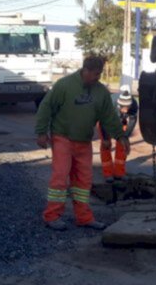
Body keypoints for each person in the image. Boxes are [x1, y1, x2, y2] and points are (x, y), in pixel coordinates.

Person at [35, 56, 129, 231]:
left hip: (84, 142)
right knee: (60, 178)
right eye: (95, 74)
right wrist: (41, 132)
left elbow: (108, 116)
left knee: (83, 182)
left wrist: (120, 136)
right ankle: (52, 216)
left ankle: (84, 218)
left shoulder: (100, 92)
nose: (97, 77)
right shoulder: (65, 86)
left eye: (99, 74)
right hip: (63, 138)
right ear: (85, 70)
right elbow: (46, 107)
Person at [99, 85, 139, 184]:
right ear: (119, 105)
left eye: (127, 108)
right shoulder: (109, 104)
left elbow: (133, 120)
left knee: (122, 145)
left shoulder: (133, 104)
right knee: (106, 145)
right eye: (123, 108)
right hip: (105, 120)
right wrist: (105, 138)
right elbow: (103, 122)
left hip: (121, 120)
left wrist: (125, 136)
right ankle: (108, 173)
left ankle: (119, 172)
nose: (125, 109)